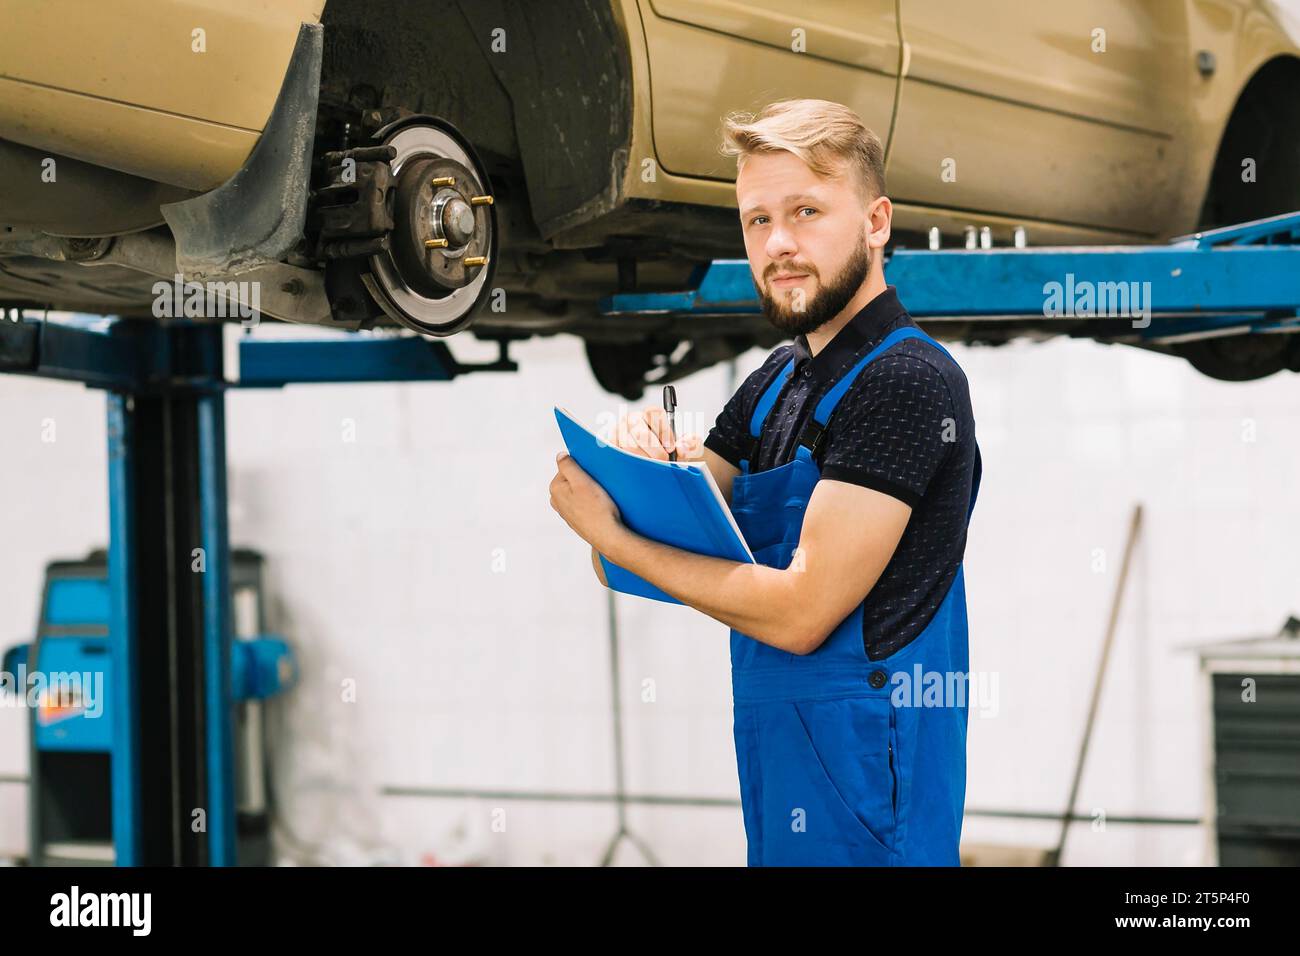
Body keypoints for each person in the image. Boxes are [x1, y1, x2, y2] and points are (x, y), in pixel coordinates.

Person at [550, 98, 982, 866]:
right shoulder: (777, 383)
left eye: (806, 211)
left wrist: (611, 528)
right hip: (782, 770)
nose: (778, 244)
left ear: (876, 222)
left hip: (872, 792)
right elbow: (621, 562)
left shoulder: (909, 383)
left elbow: (800, 616)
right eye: (756, 221)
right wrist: (634, 465)